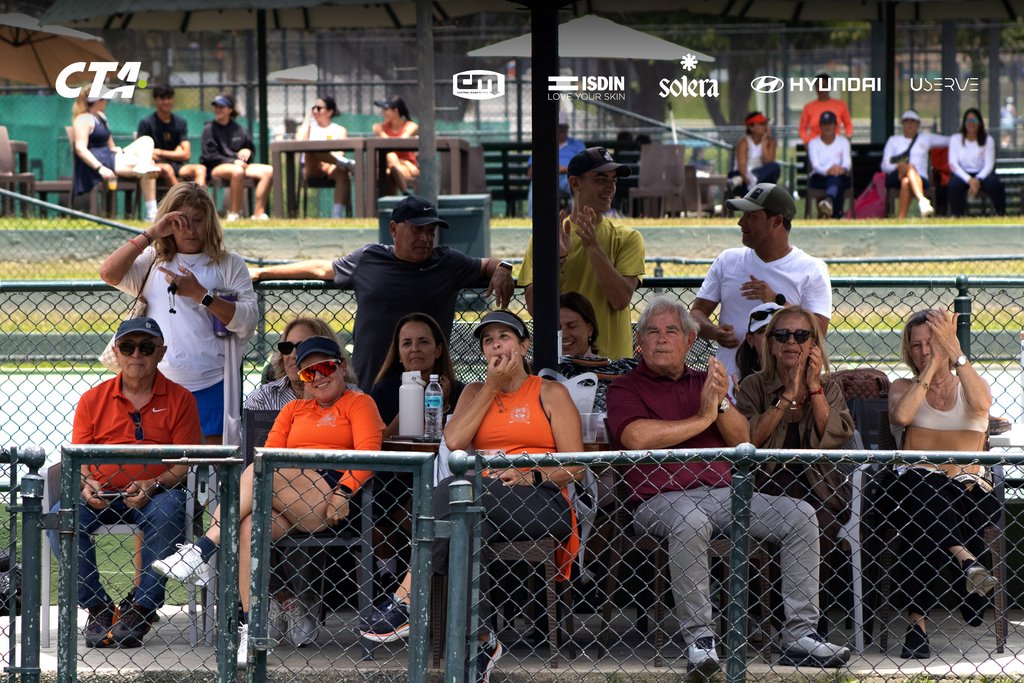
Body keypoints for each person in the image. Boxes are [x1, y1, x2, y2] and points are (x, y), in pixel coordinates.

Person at [605, 296, 851, 674]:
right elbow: (637, 438)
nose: (661, 339)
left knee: (801, 514)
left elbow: (742, 439)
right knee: (690, 520)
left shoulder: (707, 381)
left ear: (689, 341)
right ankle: (701, 640)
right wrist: (703, 416)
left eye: (672, 331)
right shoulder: (625, 387)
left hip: (725, 494)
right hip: (661, 500)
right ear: (639, 342)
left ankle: (801, 635)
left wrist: (718, 403)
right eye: (652, 332)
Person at [360, 311, 583, 683]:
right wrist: (492, 386)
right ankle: (480, 641)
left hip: (542, 497)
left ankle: (407, 598)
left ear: (524, 346)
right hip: (481, 499)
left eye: (505, 337)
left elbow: (577, 467)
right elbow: (455, 441)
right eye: (488, 340)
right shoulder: (475, 392)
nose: (496, 344)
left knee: (454, 493)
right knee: (464, 518)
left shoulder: (549, 392)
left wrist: (532, 474)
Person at [153, 335, 385, 666]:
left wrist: (345, 491)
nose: (318, 377)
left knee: (265, 471)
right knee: (248, 526)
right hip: (281, 496)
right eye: (308, 373)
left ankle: (203, 550)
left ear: (342, 366)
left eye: (325, 367)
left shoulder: (358, 403)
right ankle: (253, 631)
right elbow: (268, 455)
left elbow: (367, 455)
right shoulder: (292, 409)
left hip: (329, 499)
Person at [249, 194, 515, 391]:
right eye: (417, 230)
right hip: (371, 381)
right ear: (394, 229)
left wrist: (503, 266)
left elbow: (487, 265)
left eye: (430, 231)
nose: (425, 238)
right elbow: (320, 269)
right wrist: (262, 273)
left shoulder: (448, 262)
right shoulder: (369, 257)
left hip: (429, 381)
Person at [54, 317, 201, 649]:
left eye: (146, 347)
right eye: (128, 347)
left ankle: (142, 608)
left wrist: (153, 483)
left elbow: (184, 464)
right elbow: (77, 457)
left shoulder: (181, 399)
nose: (137, 354)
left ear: (160, 353)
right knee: (61, 514)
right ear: (116, 353)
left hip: (156, 492)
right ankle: (97, 606)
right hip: (101, 493)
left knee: (171, 509)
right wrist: (87, 483)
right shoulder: (93, 399)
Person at [99, 182, 258, 446]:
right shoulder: (152, 261)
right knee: (162, 464)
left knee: (212, 466)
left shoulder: (229, 264)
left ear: (209, 222)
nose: (190, 229)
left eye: (198, 220)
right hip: (159, 386)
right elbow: (108, 272)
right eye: (180, 221)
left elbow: (247, 320)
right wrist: (152, 233)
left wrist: (201, 295)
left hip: (213, 382)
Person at [885, 309, 999, 659]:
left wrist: (954, 353)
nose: (923, 351)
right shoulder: (903, 388)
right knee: (924, 484)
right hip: (910, 488)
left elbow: (982, 404)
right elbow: (902, 417)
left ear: (947, 343)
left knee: (925, 524)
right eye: (916, 345)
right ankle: (967, 562)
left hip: (967, 492)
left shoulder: (972, 386)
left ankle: (916, 627)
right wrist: (933, 367)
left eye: (930, 344)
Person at [691, 183, 832, 386]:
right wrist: (714, 332)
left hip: (785, 390)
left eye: (751, 217)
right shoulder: (727, 260)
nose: (741, 222)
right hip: (728, 389)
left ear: (777, 221)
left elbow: (818, 332)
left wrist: (777, 302)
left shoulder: (811, 268)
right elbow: (696, 313)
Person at [734, 305, 854, 538]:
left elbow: (835, 437)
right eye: (782, 335)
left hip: (818, 486)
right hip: (766, 487)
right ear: (771, 343)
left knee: (824, 525)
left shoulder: (828, 387)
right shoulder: (753, 386)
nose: (791, 341)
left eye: (801, 336)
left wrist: (813, 387)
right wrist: (788, 394)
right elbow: (750, 439)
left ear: (813, 345)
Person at [519, 147, 645, 360]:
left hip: (613, 366)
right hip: (560, 365)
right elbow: (534, 308)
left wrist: (593, 247)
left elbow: (620, 300)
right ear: (575, 183)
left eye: (613, 180)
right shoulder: (547, 239)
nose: (610, 188)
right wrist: (556, 261)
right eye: (601, 179)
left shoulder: (628, 238)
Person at [370, 312, 464, 438]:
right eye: (407, 343)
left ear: (438, 350)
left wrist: (444, 406)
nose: (415, 349)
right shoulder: (383, 391)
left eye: (423, 342)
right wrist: (411, 403)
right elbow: (379, 444)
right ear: (398, 353)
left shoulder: (459, 391)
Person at [71, 90, 161, 221]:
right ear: (98, 101)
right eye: (104, 99)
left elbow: (110, 144)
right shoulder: (83, 119)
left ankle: (144, 167)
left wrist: (116, 149)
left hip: (111, 156)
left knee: (146, 140)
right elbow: (80, 149)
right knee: (149, 165)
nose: (106, 102)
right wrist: (100, 168)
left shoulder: (101, 117)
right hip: (98, 162)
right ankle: (152, 213)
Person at [556, 291, 637, 413]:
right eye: (558, 328)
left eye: (572, 326)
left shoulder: (619, 372)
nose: (564, 334)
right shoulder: (535, 371)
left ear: (590, 329)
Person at [199, 94, 274, 221]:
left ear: (230, 109)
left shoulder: (240, 129)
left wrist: (248, 151)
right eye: (216, 107)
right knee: (237, 171)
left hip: (240, 165)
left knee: (269, 171)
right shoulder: (209, 129)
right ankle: (234, 213)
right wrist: (233, 161)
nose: (218, 109)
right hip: (217, 167)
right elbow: (209, 156)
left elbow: (250, 151)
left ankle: (258, 214)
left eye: (221, 107)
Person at [136, 84, 208, 189]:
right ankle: (181, 201)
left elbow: (186, 154)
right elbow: (143, 153)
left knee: (200, 169)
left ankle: (202, 203)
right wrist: (176, 153)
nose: (166, 101)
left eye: (169, 98)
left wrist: (160, 152)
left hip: (178, 166)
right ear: (155, 100)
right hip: (157, 166)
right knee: (167, 168)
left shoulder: (180, 122)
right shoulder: (146, 123)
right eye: (162, 98)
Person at [880, 109, 948, 219]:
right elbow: (884, 165)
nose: (910, 124)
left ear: (918, 124)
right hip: (896, 176)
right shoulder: (893, 140)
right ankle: (922, 200)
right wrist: (898, 167)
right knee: (909, 167)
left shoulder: (926, 138)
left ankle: (901, 219)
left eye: (913, 121)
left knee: (906, 182)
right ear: (902, 124)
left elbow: (948, 141)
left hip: (920, 178)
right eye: (907, 121)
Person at [296, 95, 355, 218]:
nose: (314, 111)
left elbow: (340, 151)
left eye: (318, 108)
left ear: (329, 111)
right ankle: (345, 163)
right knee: (311, 150)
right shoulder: (309, 128)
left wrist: (328, 161)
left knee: (342, 172)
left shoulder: (339, 130)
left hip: (332, 167)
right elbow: (299, 142)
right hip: (312, 168)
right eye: (313, 108)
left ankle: (336, 216)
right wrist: (308, 119)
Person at [947, 108, 1006, 217]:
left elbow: (989, 165)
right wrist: (969, 180)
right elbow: (953, 164)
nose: (971, 124)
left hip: (982, 174)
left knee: (996, 185)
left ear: (979, 123)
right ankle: (958, 216)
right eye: (968, 121)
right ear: (964, 123)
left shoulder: (988, 140)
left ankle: (1000, 214)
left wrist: (977, 179)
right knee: (953, 186)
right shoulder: (955, 139)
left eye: (974, 121)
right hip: (963, 174)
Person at [527, 111, 586, 217]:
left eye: (563, 127)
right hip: (546, 178)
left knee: (579, 186)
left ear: (567, 128)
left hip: (569, 178)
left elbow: (584, 166)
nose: (560, 130)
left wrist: (564, 169)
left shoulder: (578, 145)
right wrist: (549, 169)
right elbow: (531, 172)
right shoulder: (543, 145)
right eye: (558, 127)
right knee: (535, 185)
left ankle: (579, 219)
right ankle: (533, 220)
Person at [807, 111, 852, 219]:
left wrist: (842, 169)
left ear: (835, 125)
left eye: (830, 123)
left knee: (836, 179)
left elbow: (847, 162)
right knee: (835, 180)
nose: (827, 127)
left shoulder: (843, 142)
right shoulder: (813, 143)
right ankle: (836, 213)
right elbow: (815, 165)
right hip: (819, 178)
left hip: (839, 176)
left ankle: (829, 203)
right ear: (820, 126)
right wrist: (828, 170)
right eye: (824, 124)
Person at [372, 95, 419, 195]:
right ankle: (405, 194)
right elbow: (387, 145)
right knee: (390, 160)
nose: (382, 113)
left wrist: (407, 164)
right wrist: (406, 163)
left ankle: (396, 203)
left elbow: (399, 142)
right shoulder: (379, 127)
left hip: (407, 170)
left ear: (396, 111)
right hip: (397, 166)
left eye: (386, 109)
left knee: (390, 165)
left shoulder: (410, 126)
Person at [728, 111, 780, 197]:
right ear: (751, 127)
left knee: (775, 167)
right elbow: (742, 166)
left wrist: (763, 143)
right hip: (744, 178)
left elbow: (768, 163)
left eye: (765, 124)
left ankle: (757, 181)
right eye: (761, 124)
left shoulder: (771, 142)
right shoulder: (744, 142)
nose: (764, 126)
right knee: (739, 180)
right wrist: (747, 179)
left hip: (761, 177)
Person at [798, 73, 854, 145]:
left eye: (824, 86)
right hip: (815, 146)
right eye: (818, 86)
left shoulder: (840, 105)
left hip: (835, 145)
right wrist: (807, 142)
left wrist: (847, 137)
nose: (821, 89)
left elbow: (848, 124)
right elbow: (802, 128)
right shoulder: (808, 107)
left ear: (829, 87)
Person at [734, 301, 783, 381]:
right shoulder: (732, 383)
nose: (770, 336)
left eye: (779, 331)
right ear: (750, 339)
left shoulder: (807, 381)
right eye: (762, 331)